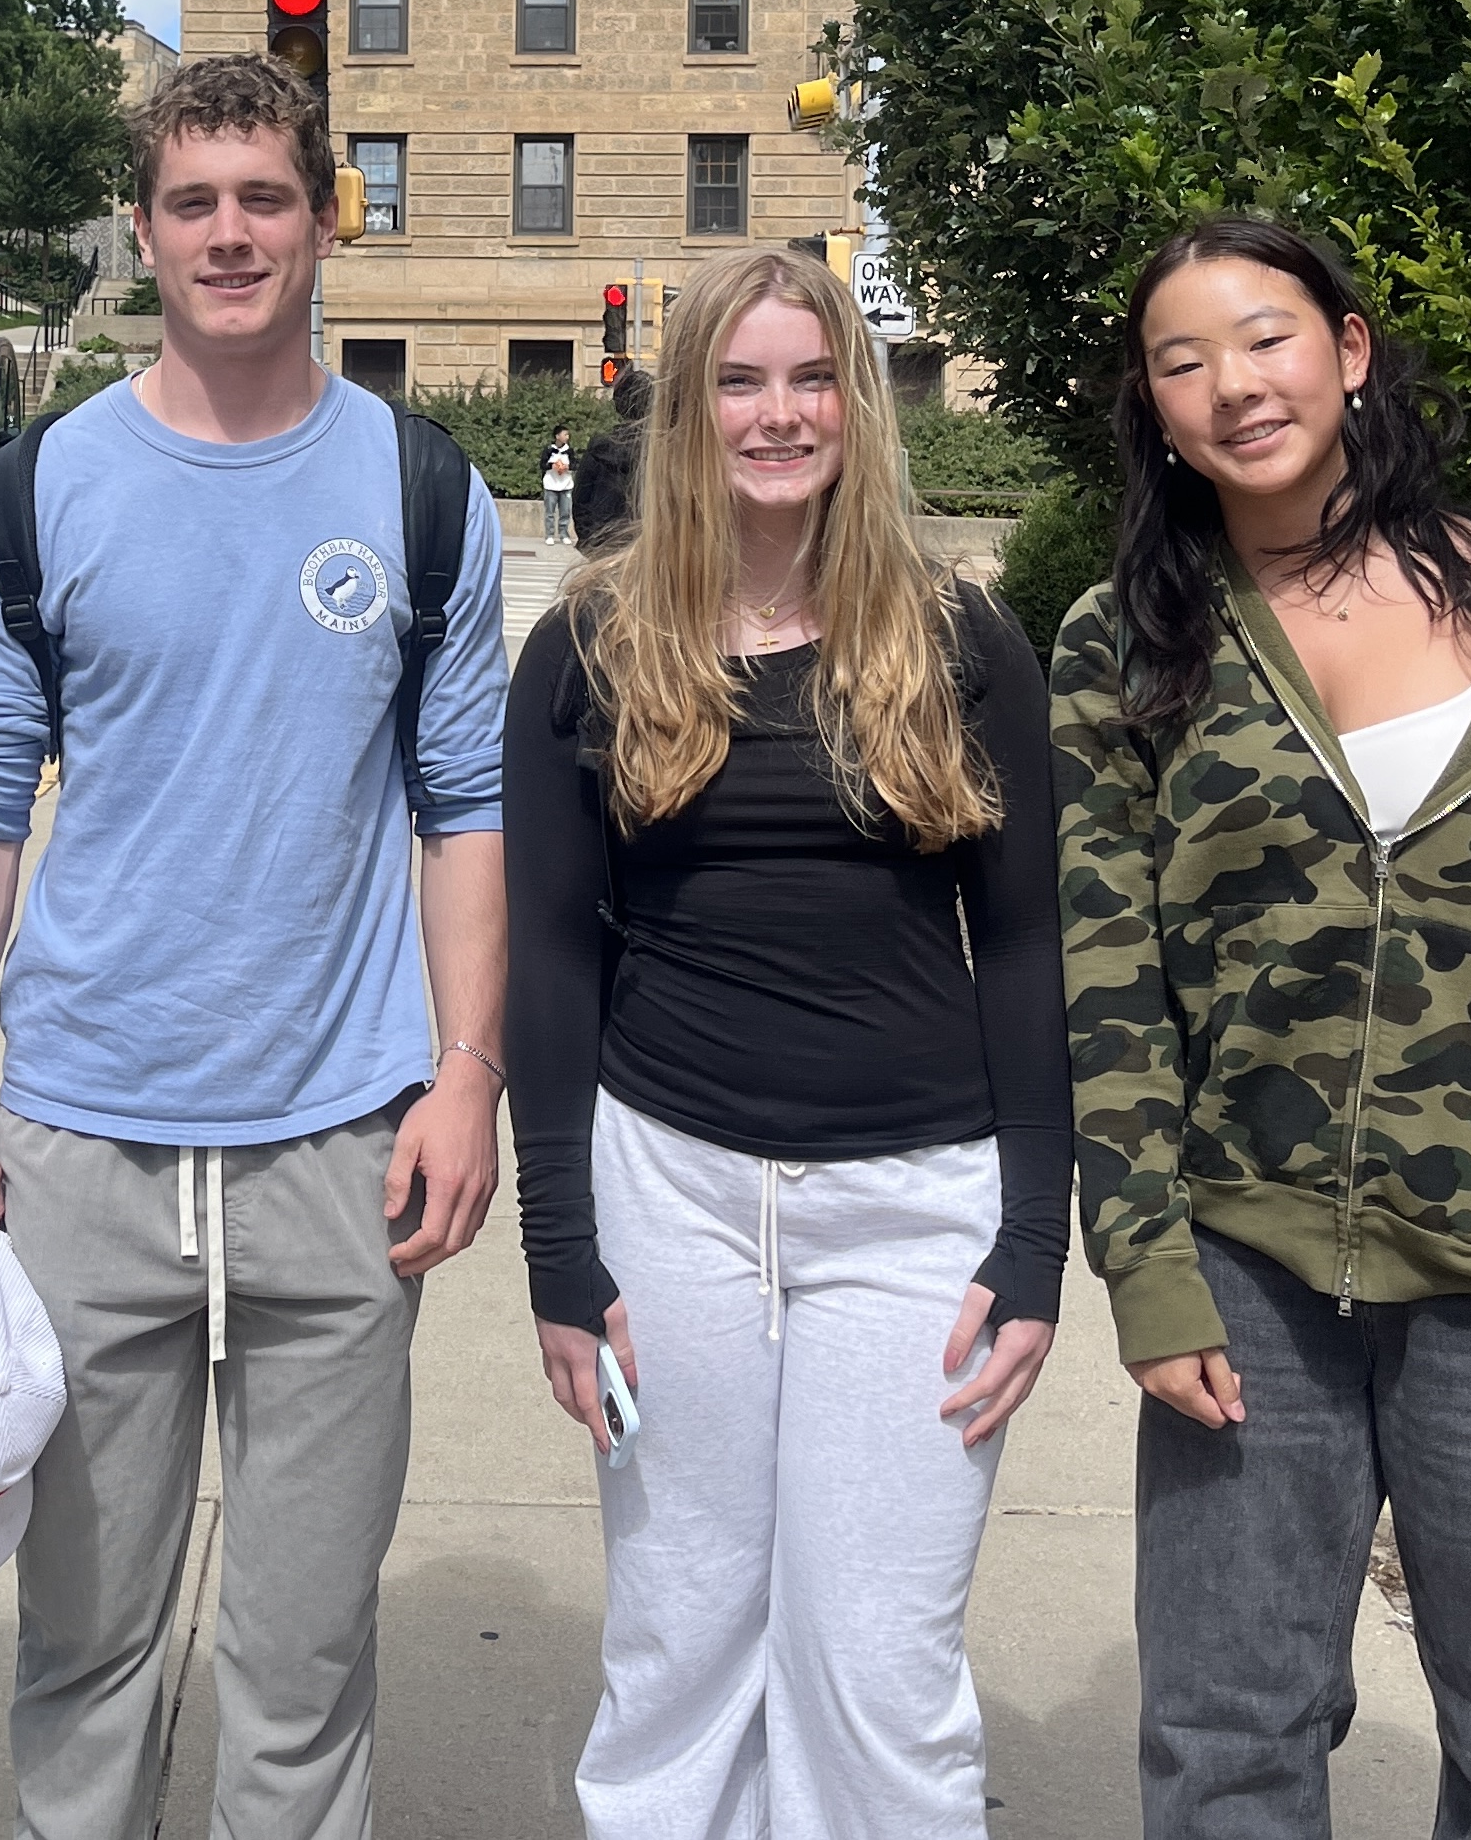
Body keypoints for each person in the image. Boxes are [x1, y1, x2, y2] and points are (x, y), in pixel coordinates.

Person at [0, 51, 511, 1840]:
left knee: (300, 1653)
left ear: (325, 219)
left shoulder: (416, 490)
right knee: (82, 1639)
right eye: (190, 201)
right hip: (82, 1140)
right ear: (141, 231)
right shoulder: (32, 493)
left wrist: (465, 1072)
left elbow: (463, 804)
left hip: (339, 1142)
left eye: (263, 197)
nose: (228, 233)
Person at [1052, 214, 1471, 1838]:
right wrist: (1141, 1264)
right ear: (1149, 408)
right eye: (1178, 359)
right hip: (1243, 1274)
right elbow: (1108, 980)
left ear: (1346, 351)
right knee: (1221, 1746)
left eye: (1264, 336)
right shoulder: (1124, 640)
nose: (1230, 383)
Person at [504, 245, 1070, 1837]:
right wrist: (563, 1250)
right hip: (667, 1190)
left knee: (879, 1666)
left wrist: (1034, 1240)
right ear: (686, 409)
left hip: (915, 1211)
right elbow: (548, 954)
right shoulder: (594, 646)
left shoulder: (961, 641)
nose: (778, 413)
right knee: (677, 1642)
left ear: (859, 403)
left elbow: (1025, 943)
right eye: (740, 381)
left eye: (813, 377)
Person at [574, 363, 647, 555]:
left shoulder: (600, 447)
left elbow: (581, 500)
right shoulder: (661, 449)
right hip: (644, 548)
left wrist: (590, 543)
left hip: (604, 544)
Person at [542, 422, 578, 545]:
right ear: (557, 436)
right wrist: (552, 466)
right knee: (550, 512)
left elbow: (576, 464)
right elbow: (542, 465)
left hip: (566, 485)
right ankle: (549, 535)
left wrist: (567, 467)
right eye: (565, 434)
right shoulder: (548, 449)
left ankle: (564, 534)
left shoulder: (569, 450)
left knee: (565, 512)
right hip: (551, 485)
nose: (567, 437)